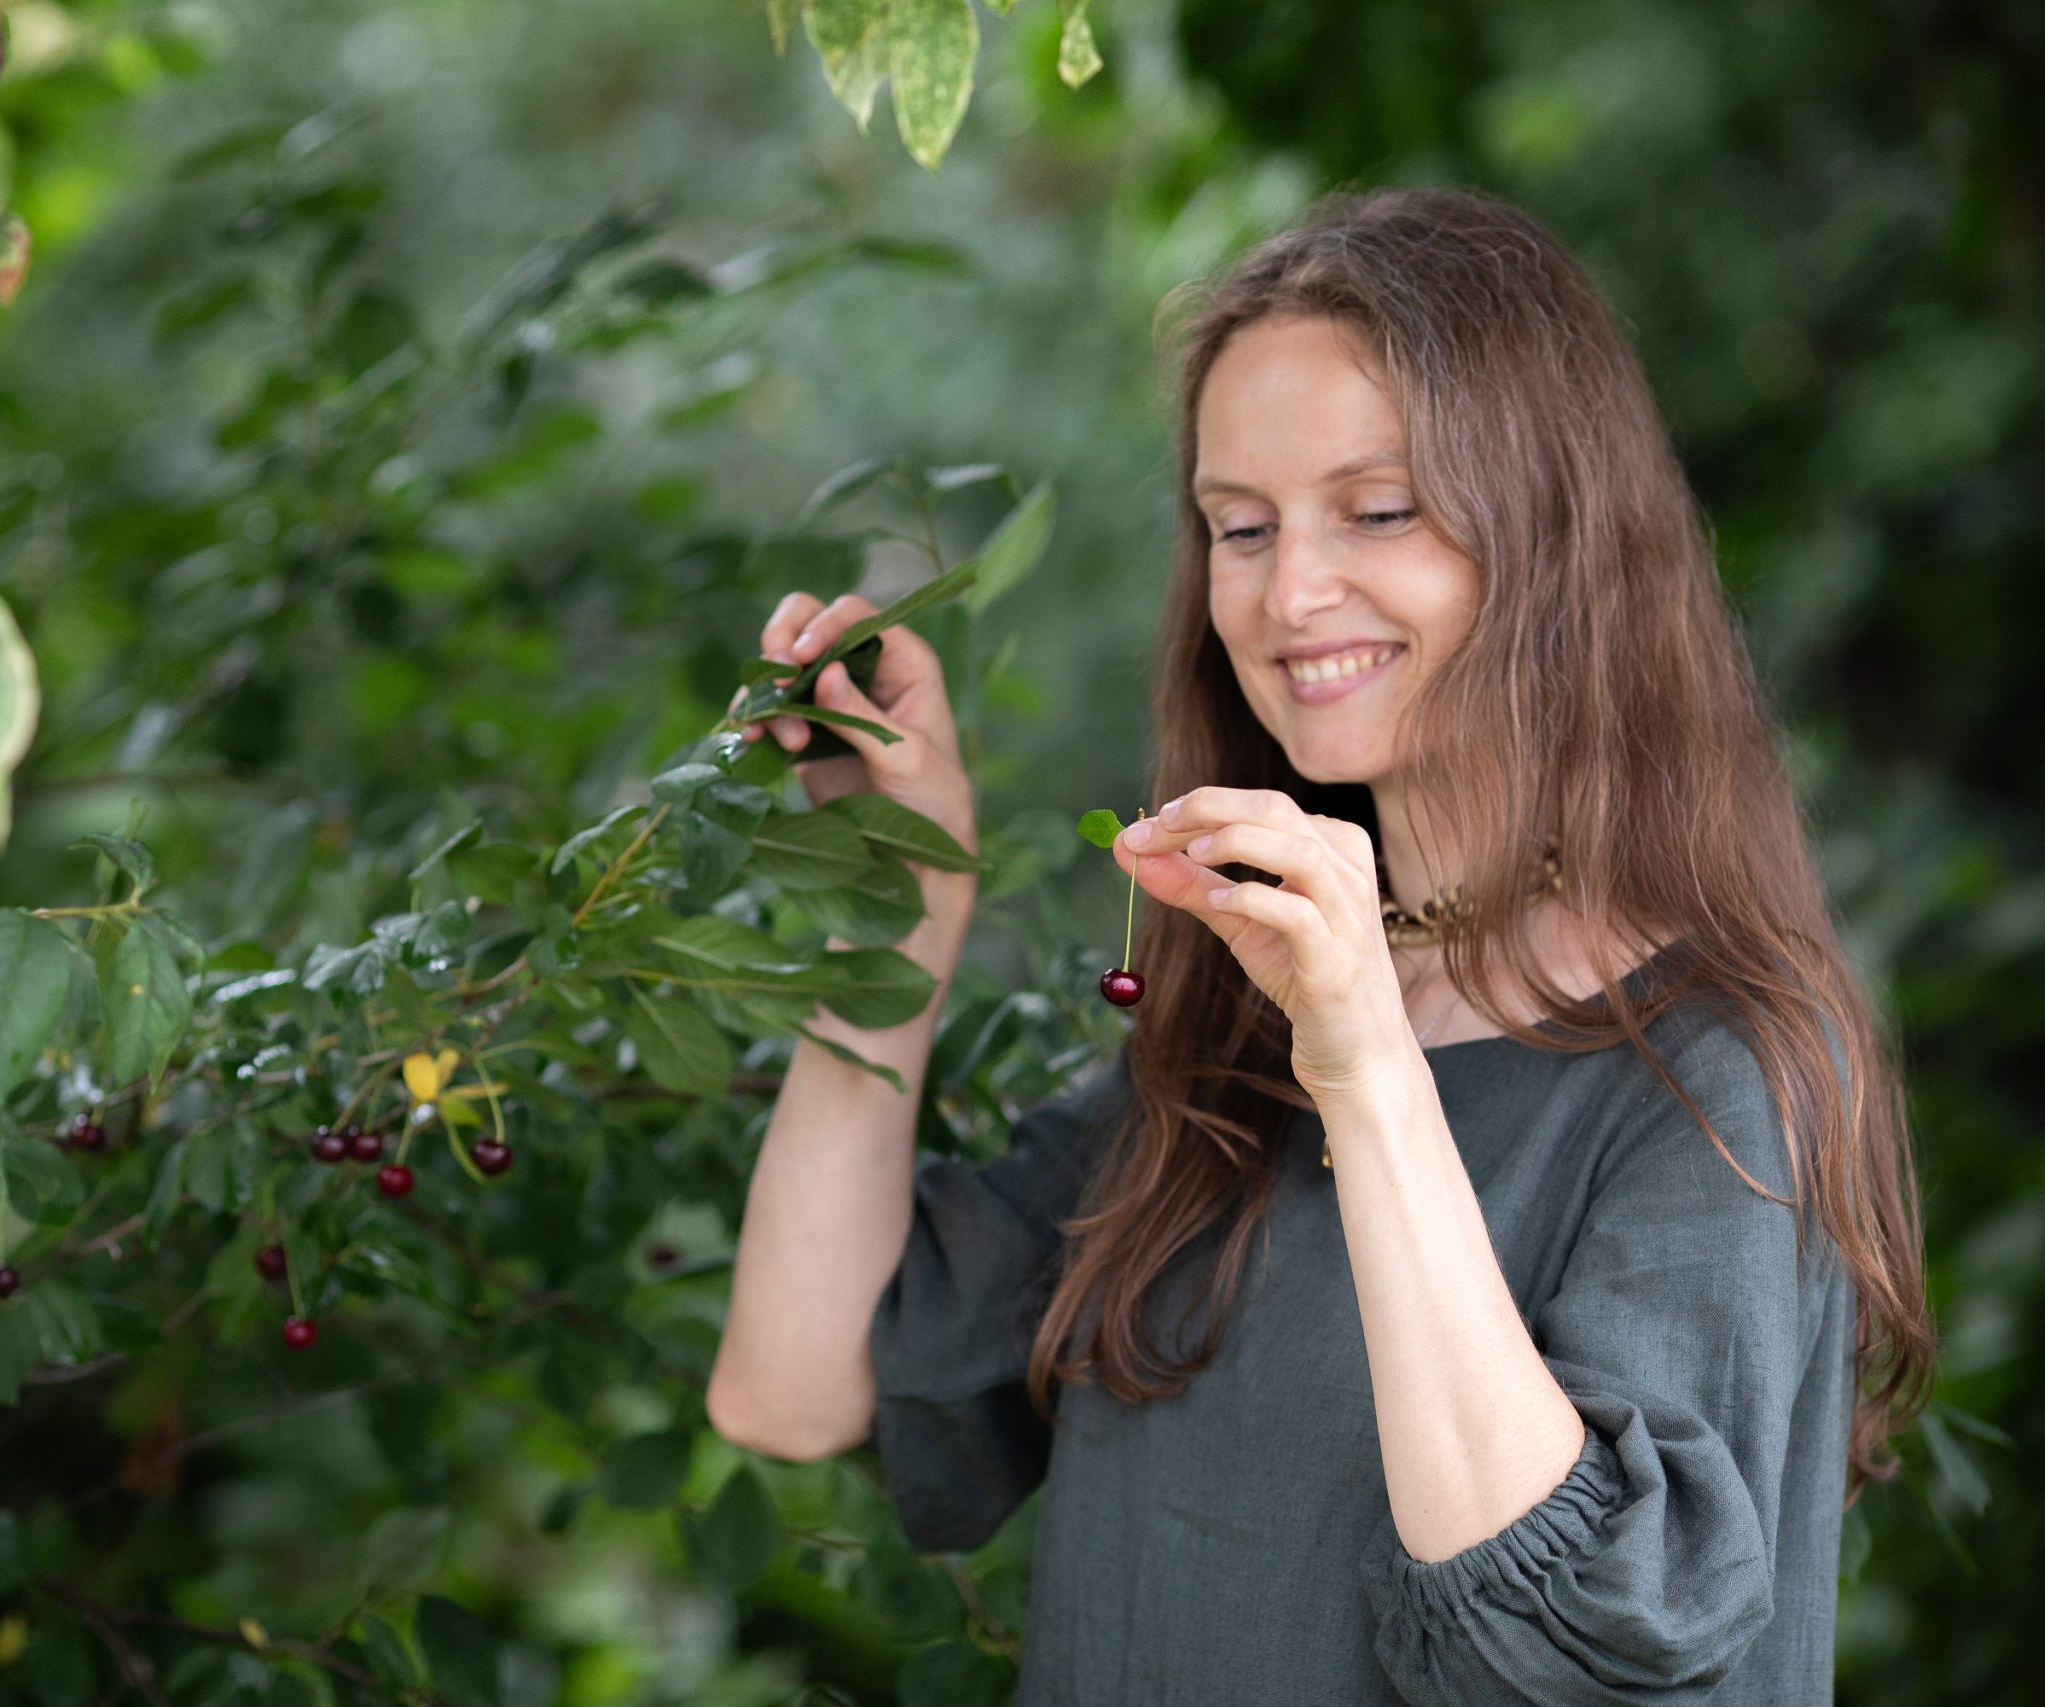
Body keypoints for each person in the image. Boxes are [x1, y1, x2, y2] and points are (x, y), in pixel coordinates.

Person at [706, 185, 1936, 1703]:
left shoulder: (1717, 1065)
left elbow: (1592, 1656)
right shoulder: (1234, 1029)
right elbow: (791, 1387)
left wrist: (1366, 1070)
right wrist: (894, 909)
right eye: (1241, 526)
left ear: (1555, 532)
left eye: (1379, 509)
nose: (1290, 593)